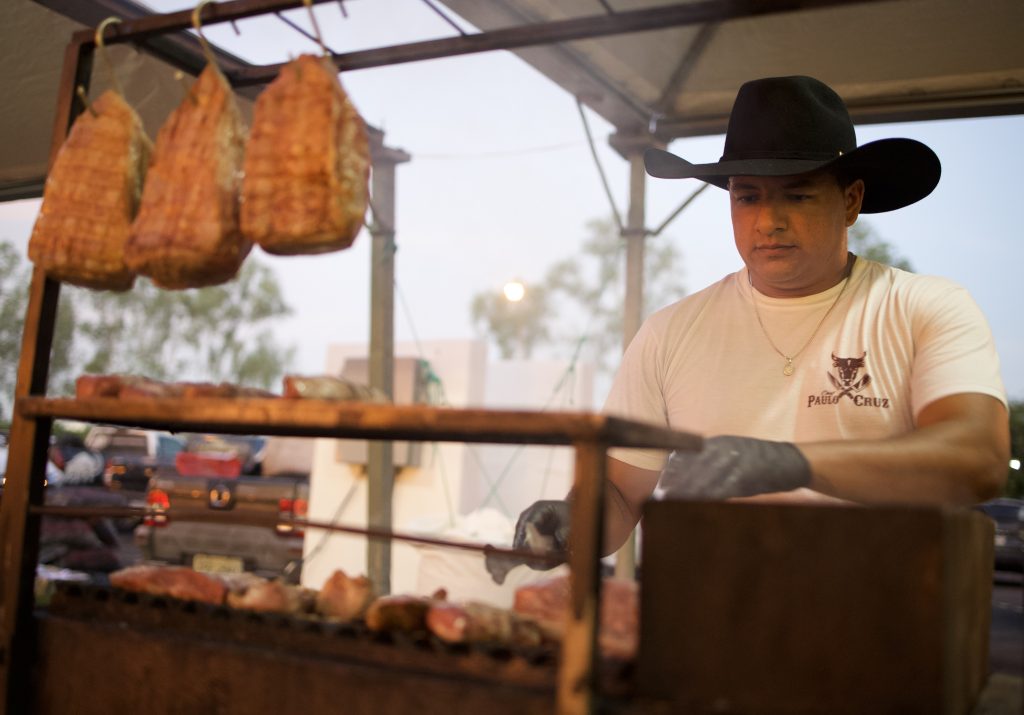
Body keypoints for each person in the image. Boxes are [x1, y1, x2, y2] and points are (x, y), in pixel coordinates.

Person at [492, 75, 1010, 577]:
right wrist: (571, 523)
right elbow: (623, 495)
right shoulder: (672, 331)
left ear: (851, 200)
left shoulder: (924, 306)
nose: (769, 221)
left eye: (798, 194)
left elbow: (978, 458)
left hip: (877, 630)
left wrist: (794, 463)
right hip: (710, 625)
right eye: (748, 196)